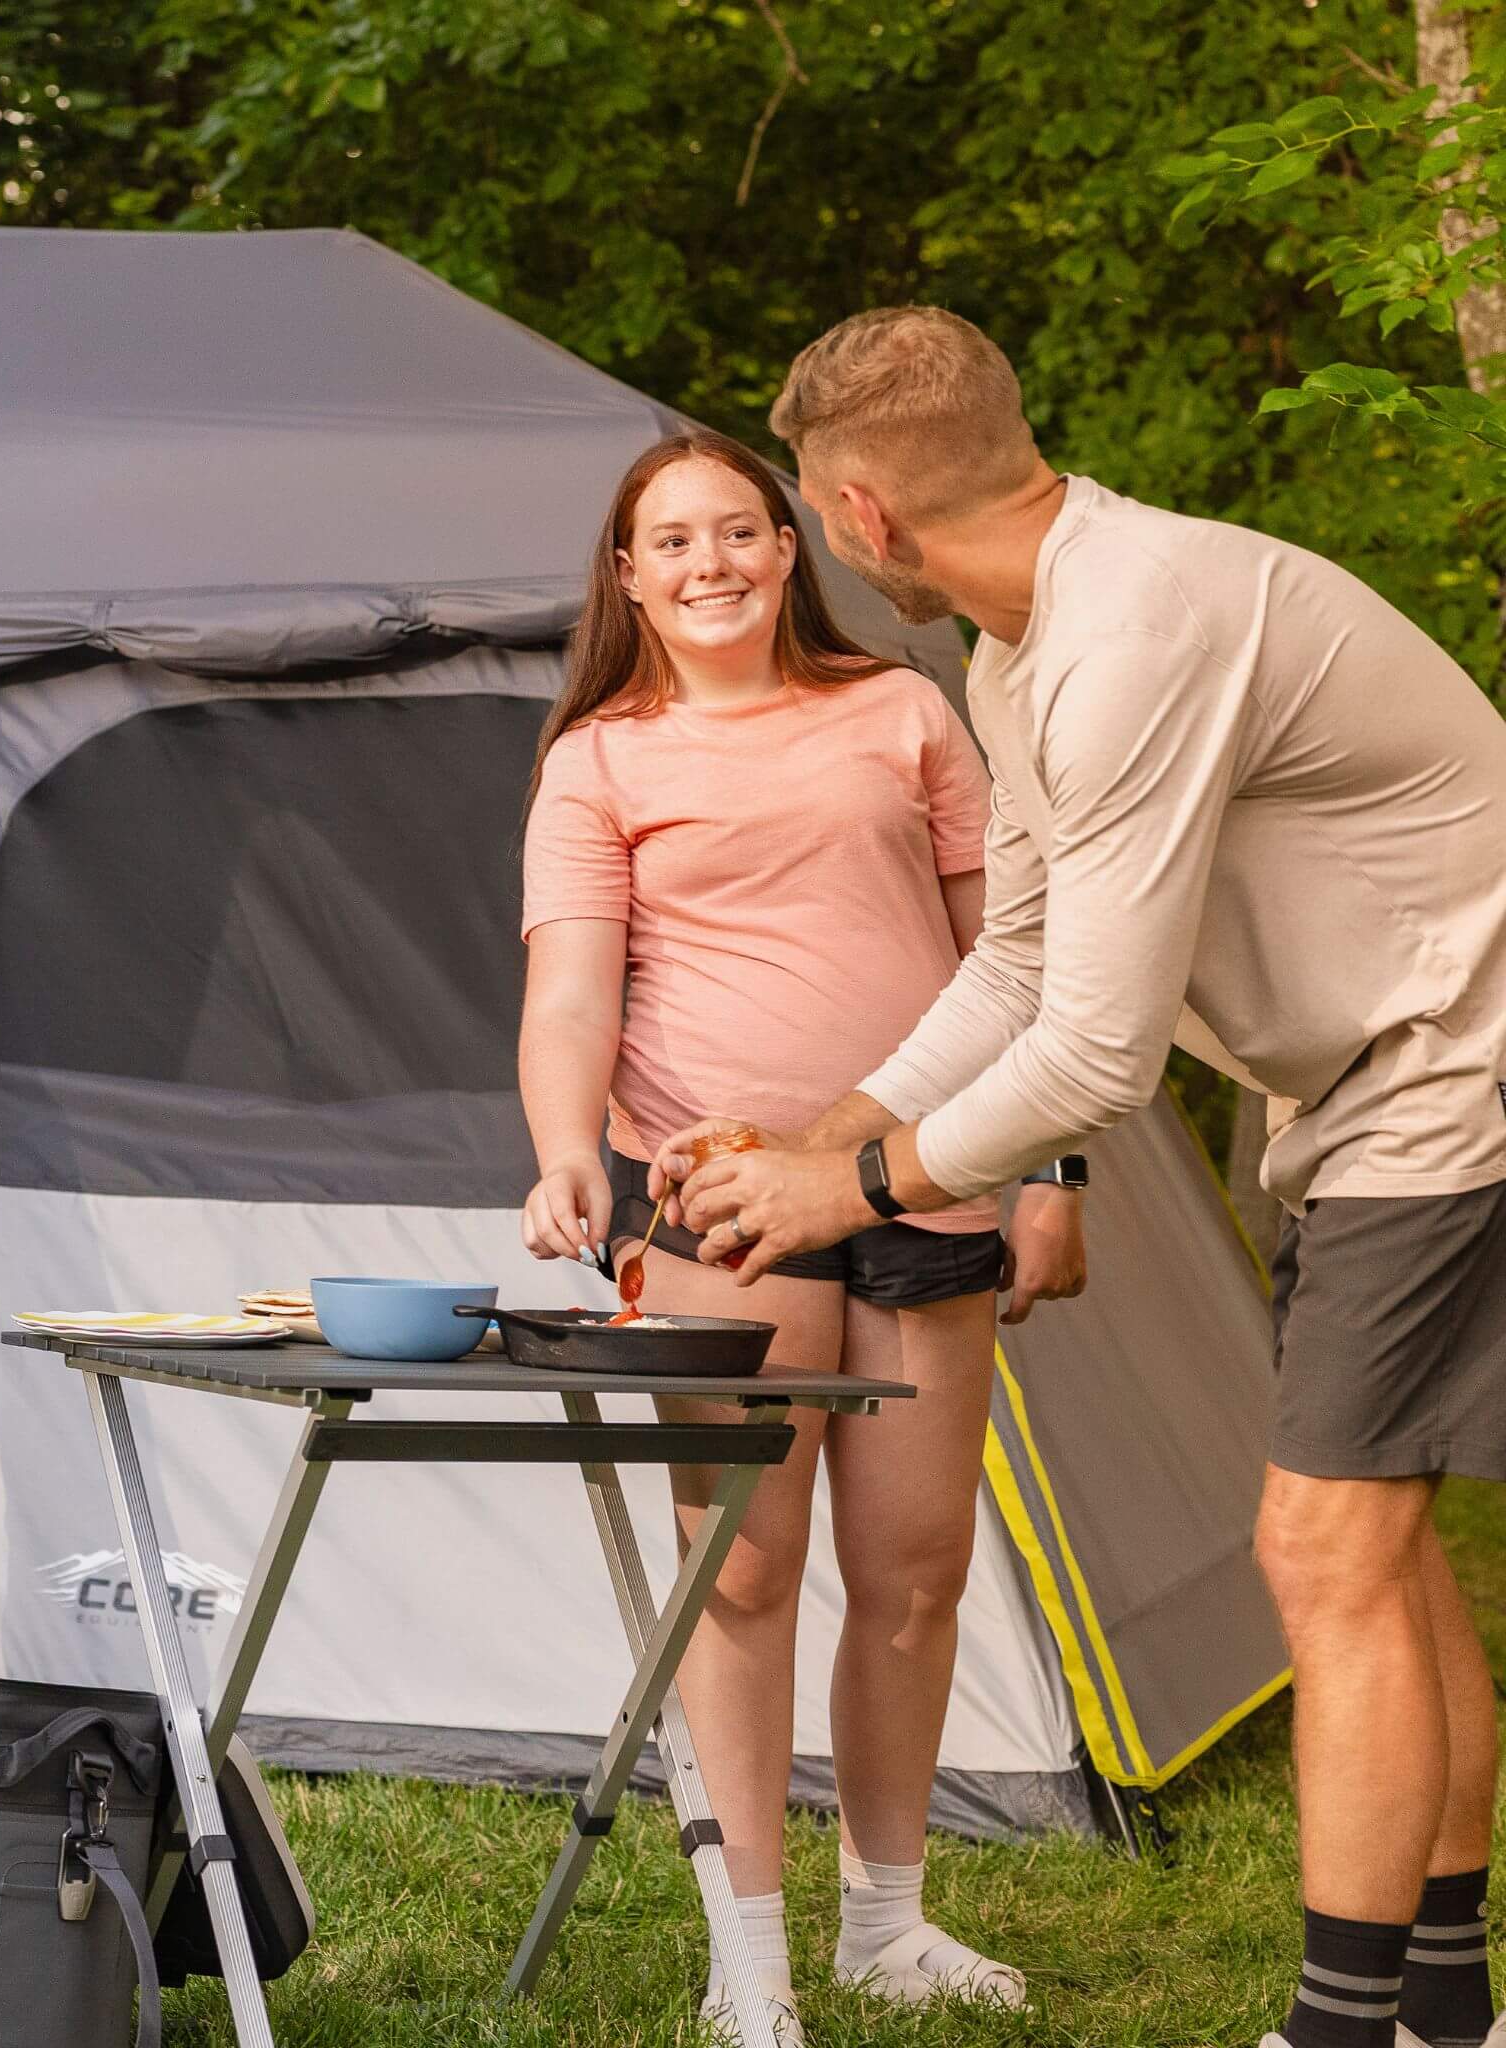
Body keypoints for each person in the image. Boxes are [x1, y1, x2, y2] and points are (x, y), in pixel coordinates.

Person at [655, 306, 1506, 2048]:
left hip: (1458, 1068)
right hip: (1355, 1093)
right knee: (1388, 1554)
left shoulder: (1130, 636)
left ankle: (1337, 2031)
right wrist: (825, 1131)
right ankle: (1445, 2009)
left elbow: (1099, 1061)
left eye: (811, 508)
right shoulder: (1022, 646)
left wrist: (859, 1193)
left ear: (865, 515)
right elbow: (1021, 965)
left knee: (1327, 1544)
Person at [517, 426, 1088, 2044]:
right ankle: (748, 1956)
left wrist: (1054, 1173)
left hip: (929, 1181)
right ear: (627, 577)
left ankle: (887, 1927)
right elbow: (569, 990)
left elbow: (1023, 958)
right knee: (746, 1572)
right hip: (711, 1210)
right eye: (674, 541)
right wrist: (568, 1153)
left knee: (915, 1576)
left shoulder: (905, 710)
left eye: (741, 532)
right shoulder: (598, 760)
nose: (712, 564)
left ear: (791, 549)